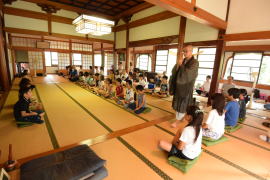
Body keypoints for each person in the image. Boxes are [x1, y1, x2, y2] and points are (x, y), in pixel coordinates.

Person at [170, 44, 199, 128]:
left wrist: (181, 65)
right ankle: (181, 118)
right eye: (184, 51)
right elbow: (175, 71)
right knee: (178, 104)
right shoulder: (183, 60)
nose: (184, 53)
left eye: (186, 51)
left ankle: (177, 121)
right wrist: (178, 64)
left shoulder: (195, 62)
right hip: (179, 86)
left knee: (183, 104)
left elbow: (188, 74)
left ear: (191, 52)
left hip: (186, 86)